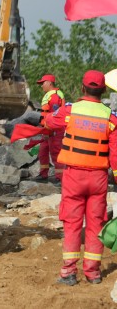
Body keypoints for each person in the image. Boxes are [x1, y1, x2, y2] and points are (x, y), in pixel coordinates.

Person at [45, 70, 117, 286]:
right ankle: (93, 273)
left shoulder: (71, 111)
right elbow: (115, 152)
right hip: (98, 178)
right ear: (103, 90)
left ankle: (68, 272)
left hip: (74, 176)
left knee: (72, 223)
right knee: (96, 223)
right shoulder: (110, 117)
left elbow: (50, 122)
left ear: (83, 88)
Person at [35, 74, 66, 182]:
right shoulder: (50, 95)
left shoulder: (54, 96)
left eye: (43, 83)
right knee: (43, 151)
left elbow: (54, 115)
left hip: (54, 130)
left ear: (49, 83)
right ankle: (43, 174)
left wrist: (50, 128)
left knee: (56, 152)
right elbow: (46, 114)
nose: (41, 86)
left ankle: (60, 178)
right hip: (47, 129)